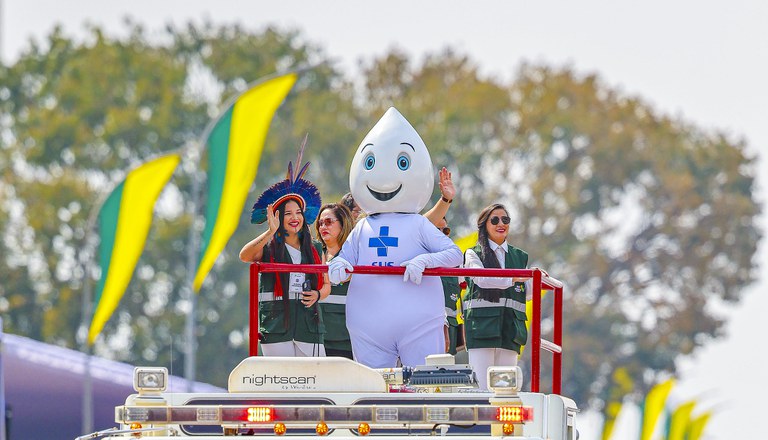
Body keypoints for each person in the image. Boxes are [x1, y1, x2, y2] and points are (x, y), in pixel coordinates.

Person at [328, 107, 463, 368]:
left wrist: (423, 261)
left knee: (426, 385)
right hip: (368, 325)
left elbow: (454, 254)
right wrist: (337, 268)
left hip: (418, 323)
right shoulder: (362, 227)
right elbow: (342, 259)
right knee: (373, 390)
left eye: (403, 163)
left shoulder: (417, 224)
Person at [239, 141, 331, 357]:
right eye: (287, 213)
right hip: (276, 328)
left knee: (316, 384)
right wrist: (270, 232)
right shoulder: (268, 248)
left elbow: (327, 285)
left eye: (298, 212)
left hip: (310, 329)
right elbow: (245, 256)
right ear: (278, 216)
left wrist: (318, 294)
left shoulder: (317, 248)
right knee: (280, 385)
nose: (294, 218)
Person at [463, 203, 531, 389]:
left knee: (505, 391)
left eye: (505, 219)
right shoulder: (473, 253)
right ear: (484, 225)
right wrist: (513, 278)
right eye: (495, 220)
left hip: (510, 330)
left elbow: (529, 293)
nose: (501, 223)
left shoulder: (520, 257)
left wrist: (537, 277)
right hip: (482, 330)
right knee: (483, 391)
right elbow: (481, 279)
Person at [314, 203, 356, 359]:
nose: (323, 226)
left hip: (348, 340)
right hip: (317, 339)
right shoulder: (313, 254)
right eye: (320, 223)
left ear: (343, 224)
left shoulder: (356, 254)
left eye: (329, 222)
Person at [436, 216, 464, 355]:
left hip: (450, 334)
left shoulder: (457, 262)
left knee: (448, 375)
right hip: (425, 329)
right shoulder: (414, 257)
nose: (442, 233)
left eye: (445, 230)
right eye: (437, 229)